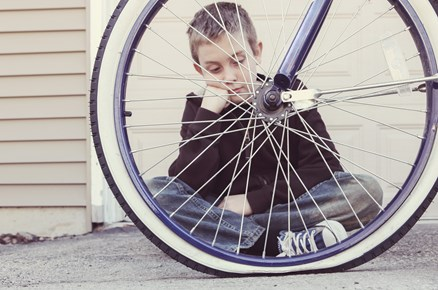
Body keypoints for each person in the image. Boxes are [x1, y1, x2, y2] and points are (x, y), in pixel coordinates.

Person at [145, 2, 383, 257]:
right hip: (222, 209)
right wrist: (208, 115)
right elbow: (187, 182)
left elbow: (324, 167)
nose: (229, 76)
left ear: (257, 51)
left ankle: (233, 237)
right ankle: (279, 244)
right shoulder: (199, 106)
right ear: (199, 69)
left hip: (281, 207)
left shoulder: (291, 92)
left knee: (365, 190)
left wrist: (250, 202)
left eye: (238, 61)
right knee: (152, 193)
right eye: (214, 69)